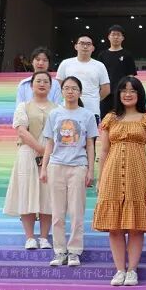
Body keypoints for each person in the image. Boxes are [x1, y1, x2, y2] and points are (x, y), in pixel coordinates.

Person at [92, 76, 146, 286]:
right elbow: (104, 150)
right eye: (124, 90)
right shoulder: (110, 119)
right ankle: (119, 270)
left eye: (132, 90)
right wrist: (101, 178)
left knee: (136, 226)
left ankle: (132, 270)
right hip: (112, 173)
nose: (128, 94)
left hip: (138, 174)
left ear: (139, 95)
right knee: (114, 227)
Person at [40, 76, 98, 267]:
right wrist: (44, 167)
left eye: (74, 88)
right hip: (56, 166)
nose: (70, 91)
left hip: (78, 167)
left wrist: (90, 169)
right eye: (66, 88)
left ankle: (74, 251)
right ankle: (59, 251)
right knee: (57, 213)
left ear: (80, 92)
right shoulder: (54, 114)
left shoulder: (87, 115)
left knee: (76, 212)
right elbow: (50, 143)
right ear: (62, 91)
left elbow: (90, 144)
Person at [4, 71, 56, 249]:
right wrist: (41, 149)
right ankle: (30, 237)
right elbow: (21, 131)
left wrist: (47, 152)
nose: (42, 84)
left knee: (47, 195)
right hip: (27, 154)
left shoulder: (58, 109)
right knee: (27, 193)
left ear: (50, 86)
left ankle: (44, 237)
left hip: (51, 156)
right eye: (38, 81)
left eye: (46, 82)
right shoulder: (23, 107)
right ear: (32, 85)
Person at [56, 34, 110, 123]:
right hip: (68, 110)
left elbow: (106, 89)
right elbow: (58, 86)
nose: (85, 46)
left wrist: (94, 98)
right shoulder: (65, 63)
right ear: (76, 46)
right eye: (82, 43)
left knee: (91, 132)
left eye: (88, 44)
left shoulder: (100, 66)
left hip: (92, 110)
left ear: (93, 48)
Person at [97, 25, 138, 119]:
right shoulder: (102, 55)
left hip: (122, 93)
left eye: (118, 35)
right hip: (105, 93)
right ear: (109, 37)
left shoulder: (127, 55)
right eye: (113, 34)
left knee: (122, 118)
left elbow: (131, 76)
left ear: (122, 38)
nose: (116, 37)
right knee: (105, 120)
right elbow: (97, 75)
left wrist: (128, 91)